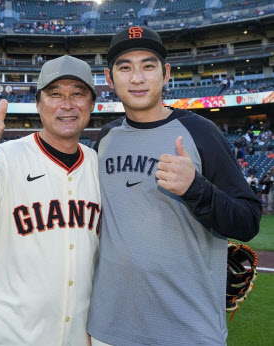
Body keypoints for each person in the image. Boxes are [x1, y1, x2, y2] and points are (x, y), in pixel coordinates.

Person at [87, 26, 262, 346]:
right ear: (109, 79)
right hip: (109, 328)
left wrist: (197, 188)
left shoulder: (200, 132)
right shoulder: (106, 139)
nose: (137, 78)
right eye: (125, 67)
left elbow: (249, 219)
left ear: (166, 74)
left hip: (187, 329)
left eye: (148, 66)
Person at [0, 55, 101, 346]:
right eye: (55, 94)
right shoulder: (5, 159)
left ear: (91, 104)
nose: (67, 104)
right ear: (38, 104)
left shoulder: (99, 166)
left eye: (78, 93)